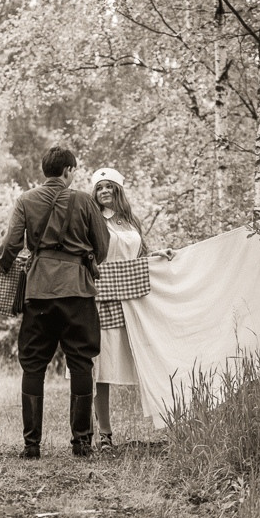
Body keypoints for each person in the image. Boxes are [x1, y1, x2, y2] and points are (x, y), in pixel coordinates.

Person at [0, 147, 110, 459]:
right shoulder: (85, 201)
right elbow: (102, 246)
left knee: (33, 365)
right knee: (81, 363)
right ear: (69, 170)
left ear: (45, 170)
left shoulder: (26, 200)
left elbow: (11, 244)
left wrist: (3, 263)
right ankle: (82, 445)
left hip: (39, 291)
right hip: (77, 291)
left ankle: (31, 446)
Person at [89, 167, 173, 452]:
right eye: (99, 188)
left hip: (133, 300)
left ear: (118, 190)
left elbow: (142, 255)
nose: (104, 192)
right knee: (101, 365)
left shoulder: (131, 221)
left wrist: (158, 256)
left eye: (109, 187)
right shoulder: (93, 220)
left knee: (148, 356)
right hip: (104, 297)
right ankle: (104, 433)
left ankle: (170, 419)